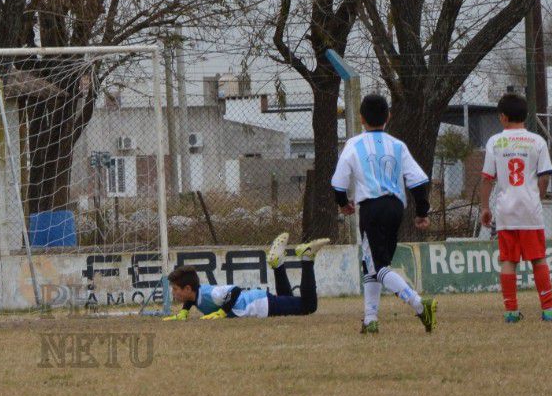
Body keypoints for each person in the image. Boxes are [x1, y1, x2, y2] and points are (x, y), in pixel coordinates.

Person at [331, 94, 436, 333]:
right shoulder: (398, 146)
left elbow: (338, 183)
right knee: (372, 263)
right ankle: (370, 319)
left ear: (360, 118)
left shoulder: (353, 144)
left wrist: (342, 203)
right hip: (395, 208)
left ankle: (419, 304)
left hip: (371, 208)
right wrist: (422, 212)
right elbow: (418, 182)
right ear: (388, 117)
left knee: (379, 267)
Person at [480, 93, 552, 323]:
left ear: (502, 117)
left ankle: (511, 311)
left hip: (506, 211)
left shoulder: (494, 142)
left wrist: (484, 208)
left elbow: (487, 178)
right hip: (530, 209)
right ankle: (548, 309)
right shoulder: (537, 141)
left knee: (508, 260)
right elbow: (545, 177)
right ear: (525, 116)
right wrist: (537, 195)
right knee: (538, 258)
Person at [162, 233, 329, 320]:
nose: (174, 293)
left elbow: (234, 291)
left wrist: (222, 312)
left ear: (188, 288)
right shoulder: (195, 295)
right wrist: (184, 312)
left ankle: (307, 258)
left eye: (175, 289)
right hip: (260, 302)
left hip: (260, 305)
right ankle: (277, 264)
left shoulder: (209, 294)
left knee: (308, 306)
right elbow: (191, 299)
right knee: (288, 299)